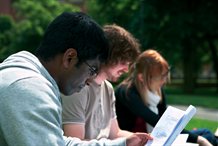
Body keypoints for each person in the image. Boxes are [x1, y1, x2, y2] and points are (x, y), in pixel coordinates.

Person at [0, 12, 145, 146]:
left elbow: (60, 142)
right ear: (69, 58)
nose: (90, 81)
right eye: (92, 69)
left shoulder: (34, 80)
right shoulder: (28, 89)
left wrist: (122, 144)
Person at [62, 24, 152, 146]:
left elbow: (115, 133)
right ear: (108, 56)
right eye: (123, 61)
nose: (126, 69)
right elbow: (74, 142)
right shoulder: (78, 87)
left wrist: (146, 139)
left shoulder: (108, 88)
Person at [115, 49, 217, 146]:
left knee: (206, 133)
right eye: (161, 77)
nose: (164, 81)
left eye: (165, 76)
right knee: (205, 137)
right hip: (138, 142)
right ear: (142, 77)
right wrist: (198, 140)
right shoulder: (126, 92)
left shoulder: (156, 92)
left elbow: (168, 123)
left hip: (159, 139)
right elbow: (158, 122)